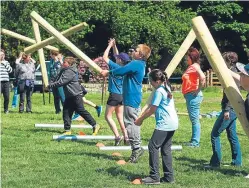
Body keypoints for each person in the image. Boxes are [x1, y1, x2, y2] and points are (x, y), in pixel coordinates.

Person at [101, 43, 151, 163]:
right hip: (132, 97)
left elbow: (121, 70)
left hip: (131, 98)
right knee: (132, 123)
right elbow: (121, 68)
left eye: (136, 50)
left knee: (131, 124)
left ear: (140, 55)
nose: (133, 51)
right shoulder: (139, 64)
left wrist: (107, 73)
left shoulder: (136, 63)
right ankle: (136, 148)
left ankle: (136, 149)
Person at [135, 69, 178, 185]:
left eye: (151, 81)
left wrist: (140, 119)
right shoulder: (166, 86)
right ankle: (169, 177)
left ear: (157, 81)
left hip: (165, 123)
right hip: (173, 122)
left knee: (153, 146)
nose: (150, 84)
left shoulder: (159, 91)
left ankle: (154, 177)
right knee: (165, 149)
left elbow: (152, 109)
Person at [205, 52, 242, 168]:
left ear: (229, 61)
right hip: (233, 108)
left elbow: (231, 93)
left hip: (230, 109)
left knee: (215, 134)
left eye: (224, 60)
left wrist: (226, 110)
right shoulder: (234, 71)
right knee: (232, 135)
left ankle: (215, 163)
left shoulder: (232, 73)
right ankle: (237, 161)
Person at [48, 57, 100, 135]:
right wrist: (50, 83)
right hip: (69, 96)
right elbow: (57, 79)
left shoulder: (70, 71)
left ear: (69, 64)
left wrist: (50, 86)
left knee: (81, 111)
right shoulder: (64, 70)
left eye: (64, 62)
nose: (63, 63)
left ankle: (95, 125)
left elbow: (62, 82)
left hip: (76, 95)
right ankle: (67, 130)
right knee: (66, 112)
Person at [102, 38, 130, 146]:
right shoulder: (126, 68)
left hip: (114, 94)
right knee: (120, 118)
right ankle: (126, 137)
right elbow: (116, 55)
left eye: (118, 58)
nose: (116, 58)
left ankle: (117, 136)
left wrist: (109, 46)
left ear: (120, 61)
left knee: (108, 116)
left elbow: (105, 57)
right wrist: (114, 45)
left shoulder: (115, 66)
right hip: (122, 95)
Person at [182, 47, 205, 147]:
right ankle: (194, 140)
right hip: (190, 95)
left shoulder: (194, 66)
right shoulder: (193, 66)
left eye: (188, 57)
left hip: (193, 95)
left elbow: (203, 77)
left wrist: (198, 89)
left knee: (195, 119)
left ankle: (195, 142)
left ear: (192, 57)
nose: (187, 59)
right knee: (193, 119)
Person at [0, 49, 12, 114]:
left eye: (2, 55)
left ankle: (6, 109)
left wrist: (5, 64)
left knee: (7, 96)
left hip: (6, 82)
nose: (2, 56)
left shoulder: (6, 62)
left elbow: (10, 70)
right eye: (0, 55)